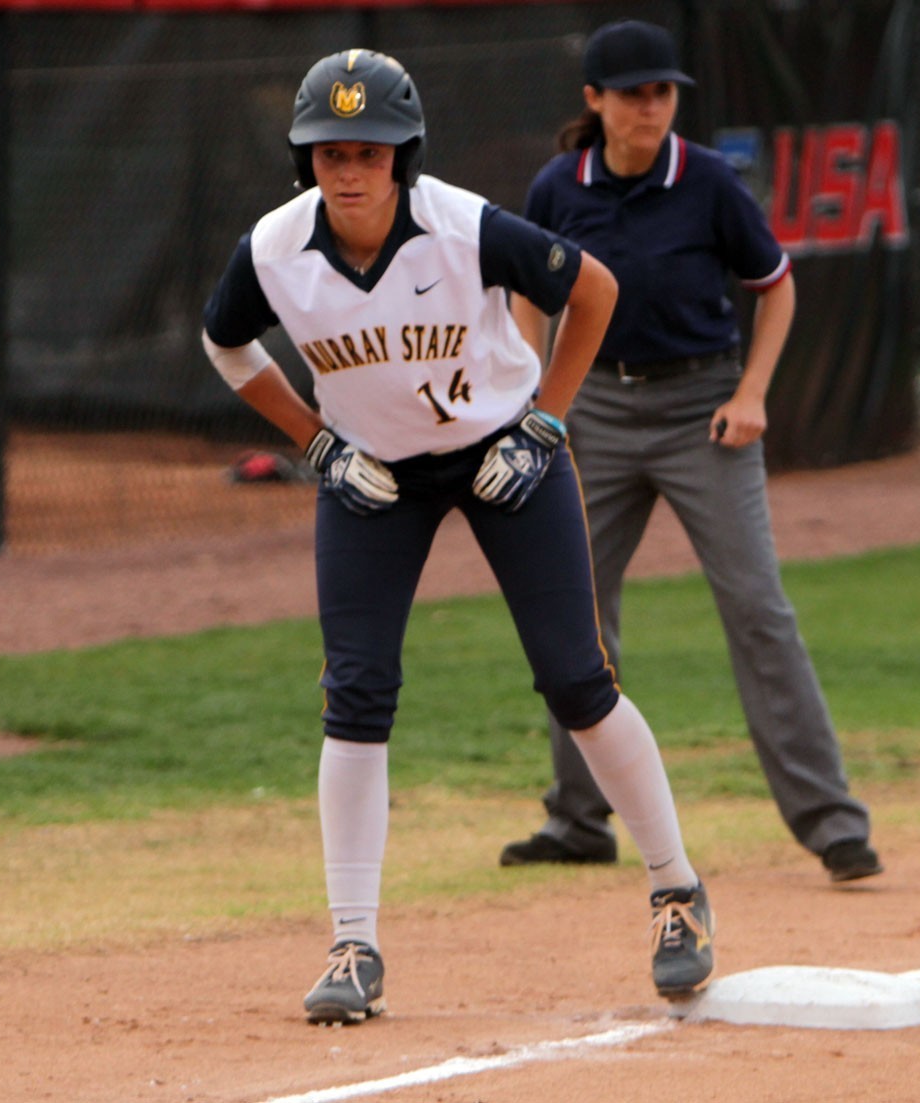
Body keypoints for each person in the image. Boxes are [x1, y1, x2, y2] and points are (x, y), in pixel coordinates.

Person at [201, 48, 716, 1025]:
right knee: (355, 689)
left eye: (371, 149)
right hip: (373, 475)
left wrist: (547, 421)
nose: (349, 169)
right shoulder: (272, 248)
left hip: (501, 456)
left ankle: (677, 890)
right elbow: (223, 340)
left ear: (406, 154)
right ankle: (353, 942)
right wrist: (312, 444)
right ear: (301, 158)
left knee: (575, 676)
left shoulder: (462, 224)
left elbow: (593, 289)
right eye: (328, 150)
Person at [501, 20, 883, 885]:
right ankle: (577, 818)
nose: (651, 106)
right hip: (592, 408)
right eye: (633, 92)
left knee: (757, 607)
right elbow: (529, 292)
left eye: (662, 91)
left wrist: (752, 393)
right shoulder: (559, 186)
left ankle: (832, 822)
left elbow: (776, 286)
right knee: (572, 613)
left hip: (699, 410)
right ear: (593, 100)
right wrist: (538, 390)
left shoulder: (706, 179)